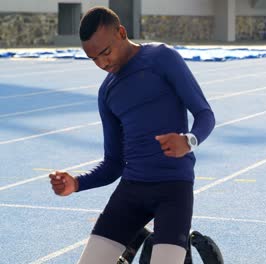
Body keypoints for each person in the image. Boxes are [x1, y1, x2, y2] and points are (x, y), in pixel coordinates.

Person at [49, 6, 215, 264]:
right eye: (93, 59)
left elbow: (205, 114)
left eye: (105, 52)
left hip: (173, 189)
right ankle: (142, 240)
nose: (102, 63)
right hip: (132, 191)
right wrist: (76, 184)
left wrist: (188, 141)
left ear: (122, 33)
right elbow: (113, 164)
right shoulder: (107, 93)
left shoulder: (162, 58)